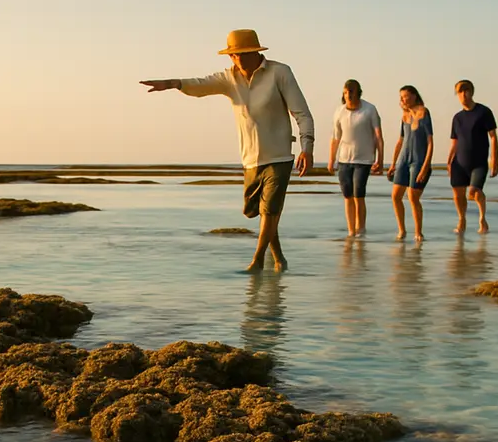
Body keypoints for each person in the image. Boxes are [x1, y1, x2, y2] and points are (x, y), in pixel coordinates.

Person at [140, 29, 314, 271]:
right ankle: (279, 258)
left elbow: (301, 113)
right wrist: (173, 84)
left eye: (241, 54)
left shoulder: (279, 72)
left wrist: (307, 147)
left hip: (279, 155)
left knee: (271, 208)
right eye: (233, 55)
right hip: (250, 159)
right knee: (256, 212)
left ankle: (257, 261)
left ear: (255, 52)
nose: (237, 60)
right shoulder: (229, 78)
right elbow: (202, 85)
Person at [328, 79, 384, 237]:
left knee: (358, 194)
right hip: (344, 160)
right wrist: (331, 159)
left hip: (363, 159)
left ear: (358, 92)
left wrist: (380, 159)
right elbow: (335, 137)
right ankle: (351, 230)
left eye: (351, 91)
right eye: (346, 92)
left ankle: (361, 229)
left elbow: (378, 136)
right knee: (347, 196)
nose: (349, 95)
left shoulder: (369, 110)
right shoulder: (339, 111)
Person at [447, 79, 498, 234]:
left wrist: (495, 160)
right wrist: (449, 161)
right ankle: (462, 219)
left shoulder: (484, 112)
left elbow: (493, 137)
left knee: (474, 191)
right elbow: (454, 142)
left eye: (466, 90)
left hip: (479, 162)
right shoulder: (457, 118)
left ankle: (482, 218)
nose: (463, 94)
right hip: (459, 162)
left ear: (471, 92)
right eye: (460, 92)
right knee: (458, 194)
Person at [386, 85, 433, 242]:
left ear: (414, 96)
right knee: (395, 196)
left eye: (405, 96)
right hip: (403, 160)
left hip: (419, 161)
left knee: (413, 197)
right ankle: (402, 230)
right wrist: (393, 164)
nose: (402, 100)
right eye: (401, 97)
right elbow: (400, 141)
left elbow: (430, 142)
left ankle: (418, 232)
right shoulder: (404, 116)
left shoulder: (424, 113)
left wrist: (425, 167)